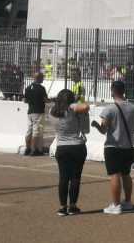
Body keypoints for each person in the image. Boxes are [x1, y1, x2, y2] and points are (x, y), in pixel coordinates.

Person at [91, 81, 134, 215]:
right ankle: (128, 202)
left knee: (114, 175)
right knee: (126, 174)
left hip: (113, 146)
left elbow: (103, 130)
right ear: (123, 91)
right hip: (128, 146)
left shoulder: (109, 109)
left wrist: (95, 125)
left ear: (113, 91)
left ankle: (116, 204)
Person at [50, 88, 90, 216]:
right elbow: (86, 108)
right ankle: (72, 206)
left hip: (61, 146)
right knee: (75, 178)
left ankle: (62, 207)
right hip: (77, 146)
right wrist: (76, 103)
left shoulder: (52, 111)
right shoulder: (72, 109)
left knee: (63, 178)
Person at [24, 73, 48, 156]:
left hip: (30, 112)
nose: (43, 79)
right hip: (38, 111)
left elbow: (25, 100)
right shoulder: (41, 88)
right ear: (39, 78)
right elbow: (45, 100)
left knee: (29, 131)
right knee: (36, 131)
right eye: (42, 78)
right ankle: (34, 150)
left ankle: (27, 149)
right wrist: (51, 100)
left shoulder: (28, 88)